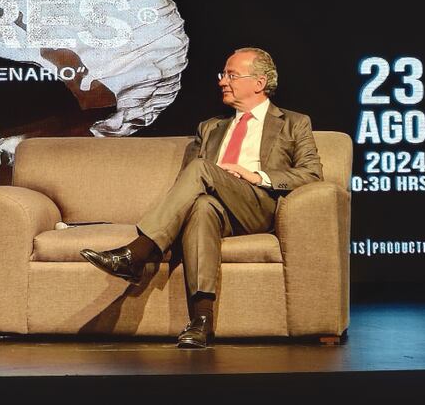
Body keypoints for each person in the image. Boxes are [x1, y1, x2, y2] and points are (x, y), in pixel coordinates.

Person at [79, 47, 323, 348]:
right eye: (223, 75)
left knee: (201, 169)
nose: (222, 81)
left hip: (258, 205)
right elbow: (188, 185)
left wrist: (257, 176)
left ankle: (137, 253)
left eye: (231, 75)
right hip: (217, 206)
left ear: (259, 83)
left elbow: (312, 174)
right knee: (202, 207)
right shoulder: (210, 128)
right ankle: (201, 322)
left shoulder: (293, 123)